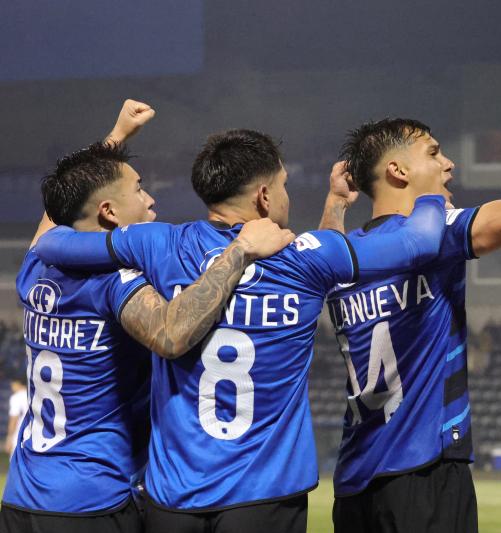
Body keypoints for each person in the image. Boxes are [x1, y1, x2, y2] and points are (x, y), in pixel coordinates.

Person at [34, 128, 449, 533]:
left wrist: (337, 203)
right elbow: (422, 241)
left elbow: (51, 244)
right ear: (265, 197)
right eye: (283, 184)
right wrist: (428, 188)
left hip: (174, 497)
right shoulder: (303, 257)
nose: (286, 194)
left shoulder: (158, 244)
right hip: (265, 493)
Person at [319, 63, 501, 532]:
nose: (448, 164)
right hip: (425, 472)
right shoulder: (435, 230)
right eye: (434, 152)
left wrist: (336, 205)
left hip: (355, 481)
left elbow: (327, 254)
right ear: (398, 170)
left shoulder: (343, 256)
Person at [1, 103, 294, 533]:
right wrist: (240, 250)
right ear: (109, 213)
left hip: (22, 496)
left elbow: (60, 207)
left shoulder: (35, 269)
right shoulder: (114, 283)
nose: (150, 197)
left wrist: (116, 136)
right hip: (93, 502)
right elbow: (171, 335)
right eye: (138, 189)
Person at [4, 375, 27, 457]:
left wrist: (9, 439)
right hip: (33, 436)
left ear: (17, 384)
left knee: (15, 466)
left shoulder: (16, 397)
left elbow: (14, 419)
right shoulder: (33, 396)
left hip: (19, 435)